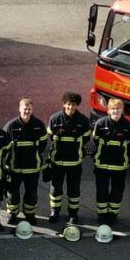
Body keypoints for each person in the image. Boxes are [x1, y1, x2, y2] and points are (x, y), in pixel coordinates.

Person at [91, 97, 130, 227]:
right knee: (102, 191)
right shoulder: (100, 123)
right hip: (102, 164)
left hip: (120, 166)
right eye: (113, 108)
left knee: (117, 192)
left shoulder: (128, 126)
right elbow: (95, 140)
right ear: (108, 110)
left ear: (122, 110)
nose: (115, 111)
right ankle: (102, 215)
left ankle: (112, 215)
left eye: (118, 108)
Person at [45, 92, 89, 225]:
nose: (71, 107)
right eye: (68, 104)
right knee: (55, 189)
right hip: (57, 162)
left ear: (77, 105)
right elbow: (50, 137)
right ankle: (54, 212)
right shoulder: (54, 119)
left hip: (75, 163)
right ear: (64, 104)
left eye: (73, 105)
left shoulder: (83, 121)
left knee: (74, 190)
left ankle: (73, 215)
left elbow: (86, 138)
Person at [3, 98, 47, 225]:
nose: (27, 111)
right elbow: (4, 146)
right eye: (25, 109)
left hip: (32, 168)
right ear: (19, 109)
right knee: (13, 194)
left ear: (32, 109)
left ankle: (30, 214)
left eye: (29, 109)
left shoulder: (38, 125)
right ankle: (12, 213)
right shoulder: (11, 126)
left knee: (31, 194)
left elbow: (43, 143)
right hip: (14, 168)